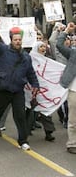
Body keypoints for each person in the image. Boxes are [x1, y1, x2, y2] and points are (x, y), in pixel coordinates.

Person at [0, 19, 39, 151]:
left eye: (19, 40)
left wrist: (35, 85)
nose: (18, 42)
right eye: (15, 40)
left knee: (20, 116)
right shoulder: (3, 50)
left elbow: (30, 72)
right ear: (11, 40)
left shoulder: (26, 57)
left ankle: (23, 141)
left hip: (18, 90)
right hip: (4, 88)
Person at [56, 22, 76, 154]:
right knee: (73, 119)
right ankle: (72, 143)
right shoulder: (73, 53)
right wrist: (66, 31)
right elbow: (58, 45)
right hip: (74, 91)